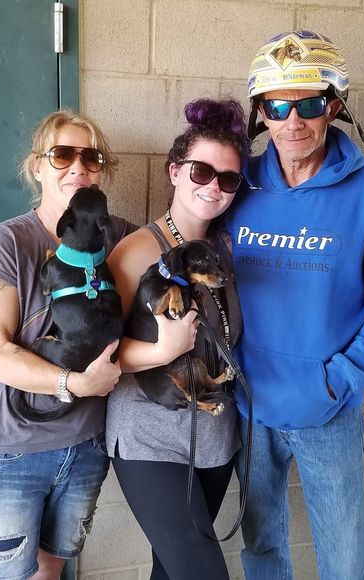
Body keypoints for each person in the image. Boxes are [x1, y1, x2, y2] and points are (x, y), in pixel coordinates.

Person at [227, 31, 364, 580]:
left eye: (308, 104)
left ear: (333, 106)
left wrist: (336, 382)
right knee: (262, 549)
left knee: (345, 560)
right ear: (260, 113)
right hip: (250, 409)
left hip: (329, 410)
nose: (293, 121)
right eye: (277, 106)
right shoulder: (236, 189)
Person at [0, 109, 136, 580]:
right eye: (62, 155)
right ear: (37, 166)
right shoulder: (6, 242)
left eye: (91, 157)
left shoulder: (117, 236)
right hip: (7, 451)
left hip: (85, 447)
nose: (78, 167)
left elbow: (171, 237)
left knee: (50, 571)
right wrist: (76, 383)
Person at [106, 98, 247, 580]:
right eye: (201, 171)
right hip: (149, 436)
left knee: (171, 573)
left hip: (214, 436)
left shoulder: (228, 251)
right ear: (174, 171)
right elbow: (99, 354)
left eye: (228, 179)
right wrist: (161, 350)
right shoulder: (137, 252)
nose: (213, 187)